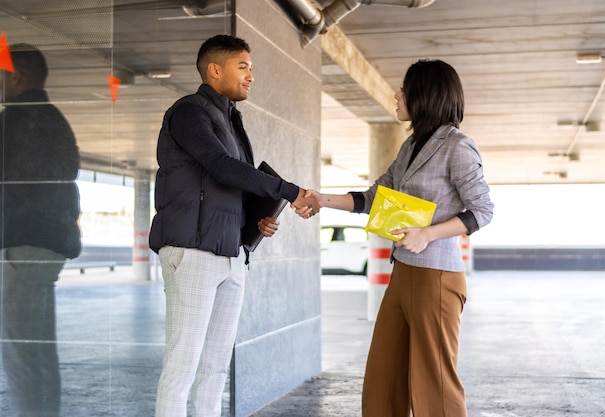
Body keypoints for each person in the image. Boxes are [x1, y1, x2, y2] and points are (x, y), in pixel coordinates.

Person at [302, 59, 494, 417]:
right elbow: (373, 198)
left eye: (404, 89)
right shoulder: (410, 147)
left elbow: (482, 210)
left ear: (425, 95)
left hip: (436, 277)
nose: (396, 95)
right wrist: (320, 199)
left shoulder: (458, 146)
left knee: (434, 383)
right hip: (403, 273)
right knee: (383, 377)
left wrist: (428, 234)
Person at [148, 34, 318, 417]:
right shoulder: (189, 112)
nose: (251, 75)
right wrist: (290, 191)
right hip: (191, 255)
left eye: (251, 67)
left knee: (215, 367)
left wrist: (253, 223)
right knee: (182, 367)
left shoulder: (230, 119)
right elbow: (220, 165)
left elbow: (226, 187)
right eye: (243, 66)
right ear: (214, 69)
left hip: (231, 255)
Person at [0, 43, 82, 417]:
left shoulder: (18, 120)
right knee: (37, 352)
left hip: (21, 247)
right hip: (43, 247)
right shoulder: (52, 119)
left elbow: (14, 187)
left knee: (22, 355)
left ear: (16, 76)